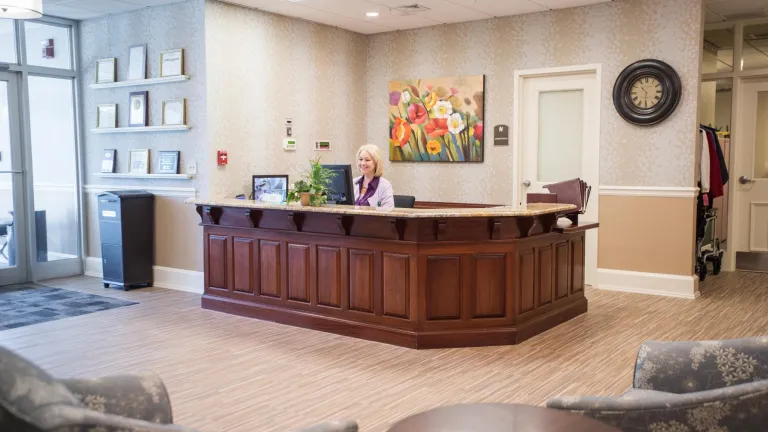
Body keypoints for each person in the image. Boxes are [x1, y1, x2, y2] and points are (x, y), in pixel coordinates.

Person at [353, 144, 394, 209]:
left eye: (367, 160)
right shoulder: (353, 182)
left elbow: (388, 212)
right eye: (360, 159)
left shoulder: (385, 185)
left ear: (376, 163)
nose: (363, 163)